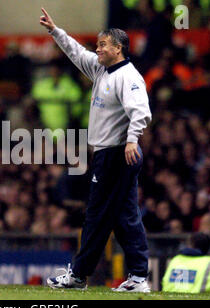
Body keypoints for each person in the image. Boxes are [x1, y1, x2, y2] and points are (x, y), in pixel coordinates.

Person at [39, 8, 152, 292]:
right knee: (124, 215)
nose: (98, 48)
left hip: (117, 153)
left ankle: (79, 275)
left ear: (118, 48)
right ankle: (138, 276)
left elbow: (142, 111)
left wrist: (132, 139)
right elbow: (76, 52)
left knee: (98, 215)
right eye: (98, 44)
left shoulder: (128, 76)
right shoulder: (101, 69)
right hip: (107, 154)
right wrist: (55, 31)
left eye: (103, 44)